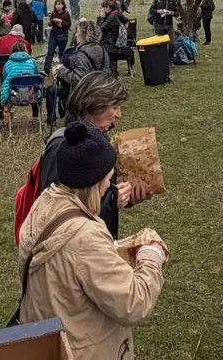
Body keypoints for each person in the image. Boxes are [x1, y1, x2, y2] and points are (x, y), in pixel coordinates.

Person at [16, 122, 166, 360]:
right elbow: (134, 303)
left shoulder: (46, 203)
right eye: (109, 178)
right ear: (94, 181)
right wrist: (151, 254)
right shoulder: (84, 238)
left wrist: (112, 247)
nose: (112, 184)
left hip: (53, 351)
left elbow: (73, 268)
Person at [37, 72, 148, 239]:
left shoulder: (97, 139)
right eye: (115, 106)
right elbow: (52, 212)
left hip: (95, 246)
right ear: (95, 104)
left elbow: (97, 190)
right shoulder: (62, 145)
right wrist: (111, 202)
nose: (119, 115)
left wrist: (126, 196)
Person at [0, 46, 43, 125]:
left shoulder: (8, 63)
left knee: (2, 91)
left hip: (13, 96)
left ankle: (0, 119)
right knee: (35, 87)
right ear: (25, 51)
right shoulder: (32, 61)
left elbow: (5, 79)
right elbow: (36, 74)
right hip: (31, 97)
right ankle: (35, 116)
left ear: (12, 51)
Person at [44, 0, 72, 73]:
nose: (58, 6)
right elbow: (50, 24)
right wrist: (51, 22)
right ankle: (46, 70)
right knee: (50, 52)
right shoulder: (53, 13)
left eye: (59, 4)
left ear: (63, 5)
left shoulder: (66, 13)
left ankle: (62, 71)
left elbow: (69, 24)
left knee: (61, 54)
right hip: (53, 35)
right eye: (56, 4)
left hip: (62, 36)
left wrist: (61, 22)